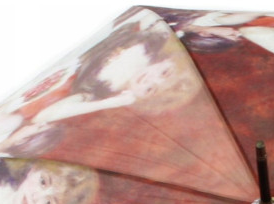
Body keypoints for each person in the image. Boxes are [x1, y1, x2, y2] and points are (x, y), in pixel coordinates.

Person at [32, 9, 198, 124]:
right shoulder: (153, 41)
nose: (150, 79)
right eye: (165, 72)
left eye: (150, 89)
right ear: (167, 60)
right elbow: (146, 15)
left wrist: (111, 102)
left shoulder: (102, 90)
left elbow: (42, 116)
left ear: (136, 98)